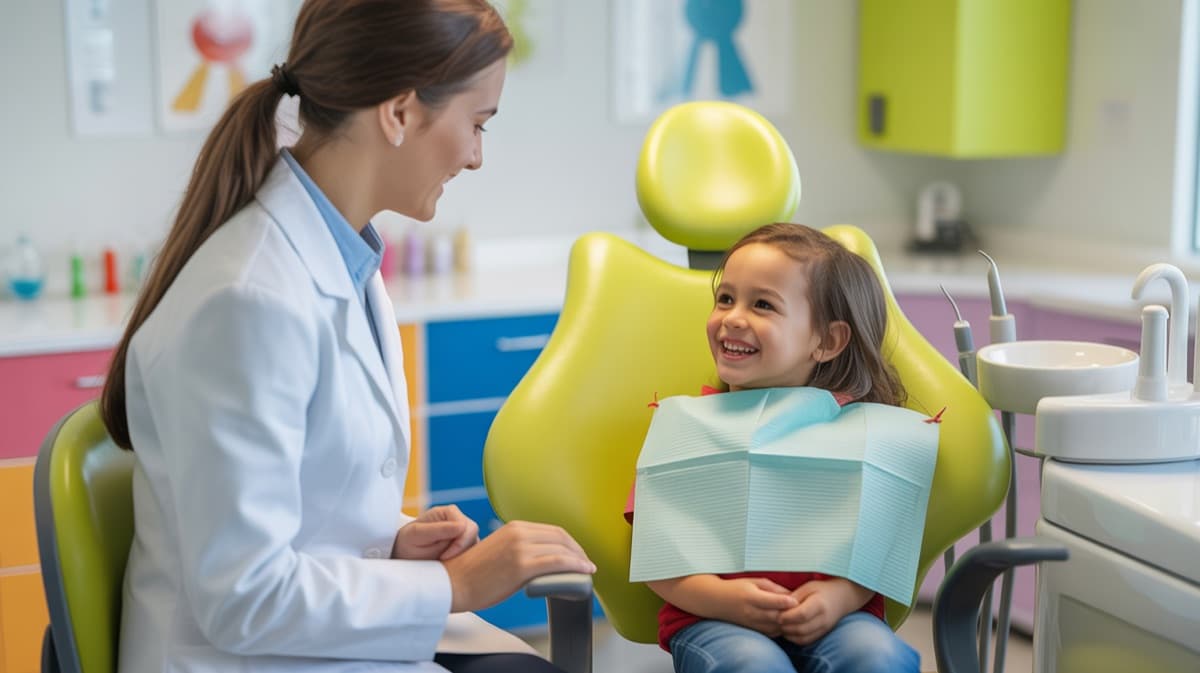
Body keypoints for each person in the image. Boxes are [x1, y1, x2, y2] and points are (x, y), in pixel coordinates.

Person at [99, 2, 594, 672]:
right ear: (399, 112)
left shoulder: (345, 259)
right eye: (476, 124)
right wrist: (458, 583)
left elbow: (299, 506)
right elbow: (243, 595)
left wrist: (393, 541)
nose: (476, 156)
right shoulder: (248, 299)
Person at [625, 223, 921, 673]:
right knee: (752, 664)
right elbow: (655, 553)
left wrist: (840, 596)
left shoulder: (862, 436)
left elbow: (879, 544)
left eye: (762, 304)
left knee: (879, 657)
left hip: (839, 619)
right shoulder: (683, 429)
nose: (733, 317)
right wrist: (723, 599)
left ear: (828, 341)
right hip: (715, 621)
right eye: (725, 298)